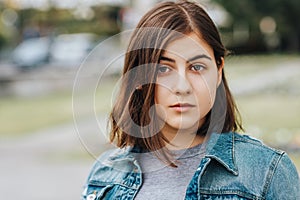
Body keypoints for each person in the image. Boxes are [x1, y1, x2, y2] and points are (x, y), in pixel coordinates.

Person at [81, 0, 300, 199]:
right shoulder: (104, 177)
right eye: (163, 69)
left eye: (197, 67)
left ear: (218, 70)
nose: (182, 87)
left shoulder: (267, 172)